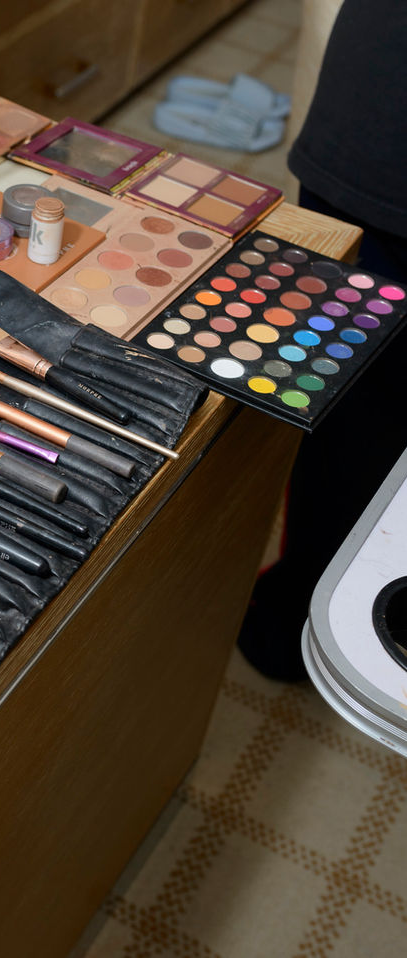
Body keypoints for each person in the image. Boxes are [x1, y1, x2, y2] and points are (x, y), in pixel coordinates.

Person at [237, 0, 407, 681]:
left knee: (358, 411)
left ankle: (303, 617)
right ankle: (302, 618)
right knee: (352, 406)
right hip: (383, 138)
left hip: (374, 127)